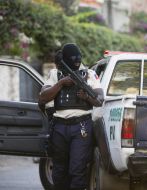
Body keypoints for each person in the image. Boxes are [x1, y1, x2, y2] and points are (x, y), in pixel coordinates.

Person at [39, 43, 104, 190]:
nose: (77, 61)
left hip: (81, 127)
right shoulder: (55, 74)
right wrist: (61, 83)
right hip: (59, 127)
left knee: (78, 169)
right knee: (59, 170)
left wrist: (87, 97)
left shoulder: (89, 74)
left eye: (78, 59)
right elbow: (43, 97)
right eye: (73, 59)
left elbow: (100, 99)